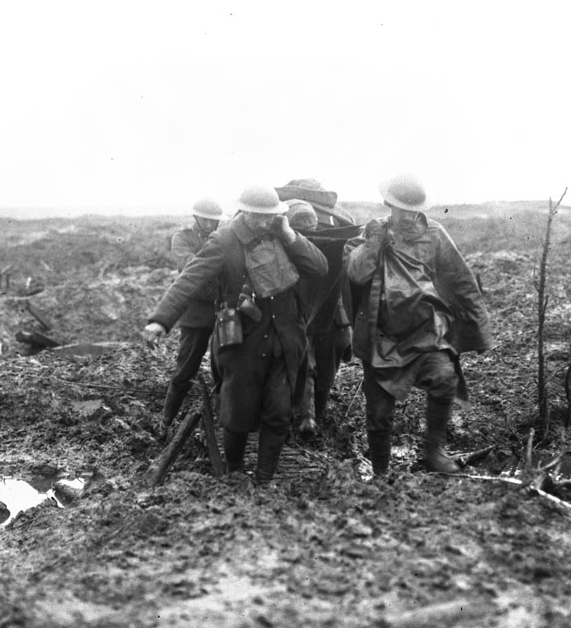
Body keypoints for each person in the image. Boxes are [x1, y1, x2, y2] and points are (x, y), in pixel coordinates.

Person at [143, 185, 328, 484]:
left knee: (279, 413)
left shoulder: (284, 234)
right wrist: (161, 321)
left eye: (270, 216)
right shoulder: (225, 240)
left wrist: (290, 235)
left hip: (284, 338)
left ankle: (264, 480)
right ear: (246, 212)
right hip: (243, 340)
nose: (264, 222)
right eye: (259, 216)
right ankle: (235, 474)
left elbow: (320, 268)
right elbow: (190, 279)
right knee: (237, 414)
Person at [344, 173, 493, 475]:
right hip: (382, 338)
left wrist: (479, 330)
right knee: (379, 414)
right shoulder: (371, 233)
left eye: (414, 209)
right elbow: (356, 273)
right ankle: (381, 473)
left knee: (444, 378)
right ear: (389, 205)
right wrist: (374, 243)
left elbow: (460, 280)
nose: (409, 216)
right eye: (402, 209)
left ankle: (434, 451)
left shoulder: (435, 234)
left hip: (427, 333)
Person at [275, 181, 357, 438]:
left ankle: (308, 416)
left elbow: (344, 279)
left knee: (318, 366)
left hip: (324, 311)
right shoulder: (337, 223)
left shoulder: (338, 229)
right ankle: (302, 416)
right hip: (296, 308)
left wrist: (343, 319)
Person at [157, 197, 225, 436]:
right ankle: (165, 422)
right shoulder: (182, 238)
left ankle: (220, 425)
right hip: (196, 314)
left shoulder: (223, 237)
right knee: (185, 371)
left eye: (213, 220)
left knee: (225, 370)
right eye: (205, 219)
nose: (209, 223)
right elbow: (192, 269)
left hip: (222, 312)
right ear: (196, 218)